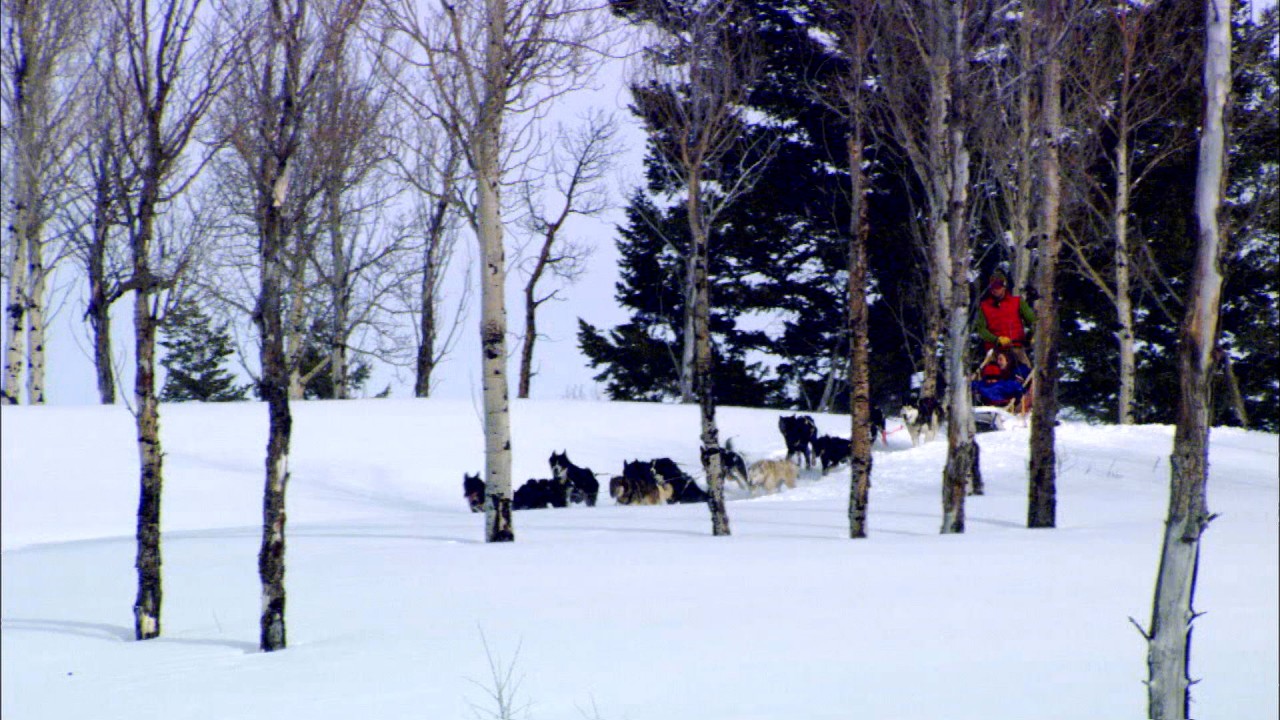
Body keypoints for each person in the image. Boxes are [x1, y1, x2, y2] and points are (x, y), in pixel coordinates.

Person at [977, 271, 1035, 368]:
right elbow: (981, 330)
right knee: (987, 374)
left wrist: (1033, 335)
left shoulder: (1017, 302)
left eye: (998, 286)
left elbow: (1033, 320)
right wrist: (996, 339)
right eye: (993, 287)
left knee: (1026, 372)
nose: (995, 290)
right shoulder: (984, 306)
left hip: (1016, 347)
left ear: (1004, 287)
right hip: (995, 350)